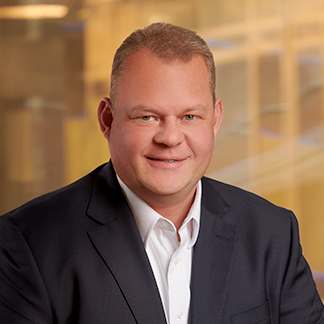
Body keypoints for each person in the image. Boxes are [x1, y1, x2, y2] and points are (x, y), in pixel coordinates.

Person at [0, 22, 323, 324]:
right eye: (147, 117)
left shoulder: (272, 232)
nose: (170, 138)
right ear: (107, 119)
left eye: (190, 117)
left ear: (215, 119)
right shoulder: (26, 242)